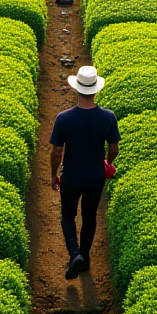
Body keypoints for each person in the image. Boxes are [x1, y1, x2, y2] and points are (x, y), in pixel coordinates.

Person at [49, 64, 120, 279]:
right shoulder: (108, 117)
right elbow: (114, 148)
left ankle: (74, 254)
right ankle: (86, 258)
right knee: (90, 216)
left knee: (68, 215)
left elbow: (56, 152)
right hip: (95, 177)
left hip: (71, 177)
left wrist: (54, 174)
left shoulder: (64, 118)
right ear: (95, 90)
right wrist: (106, 161)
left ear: (76, 89)